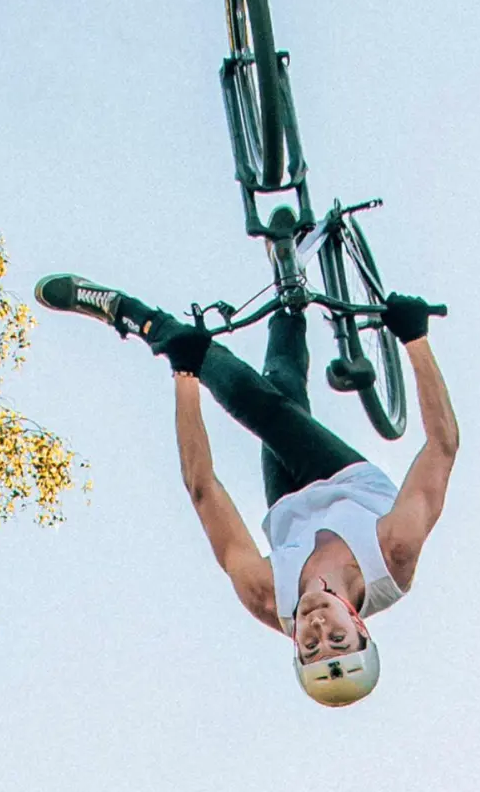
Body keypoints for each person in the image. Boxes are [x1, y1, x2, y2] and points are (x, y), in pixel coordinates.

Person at [34, 268, 458, 707]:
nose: (316, 629)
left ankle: (288, 298)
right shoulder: (393, 555)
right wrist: (415, 339)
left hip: (287, 503)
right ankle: (141, 319)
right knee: (266, 410)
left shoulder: (267, 596)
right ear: (360, 628)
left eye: (310, 648)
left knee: (281, 386)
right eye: (337, 637)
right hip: (346, 480)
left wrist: (185, 376)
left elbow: (203, 490)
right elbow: (442, 447)